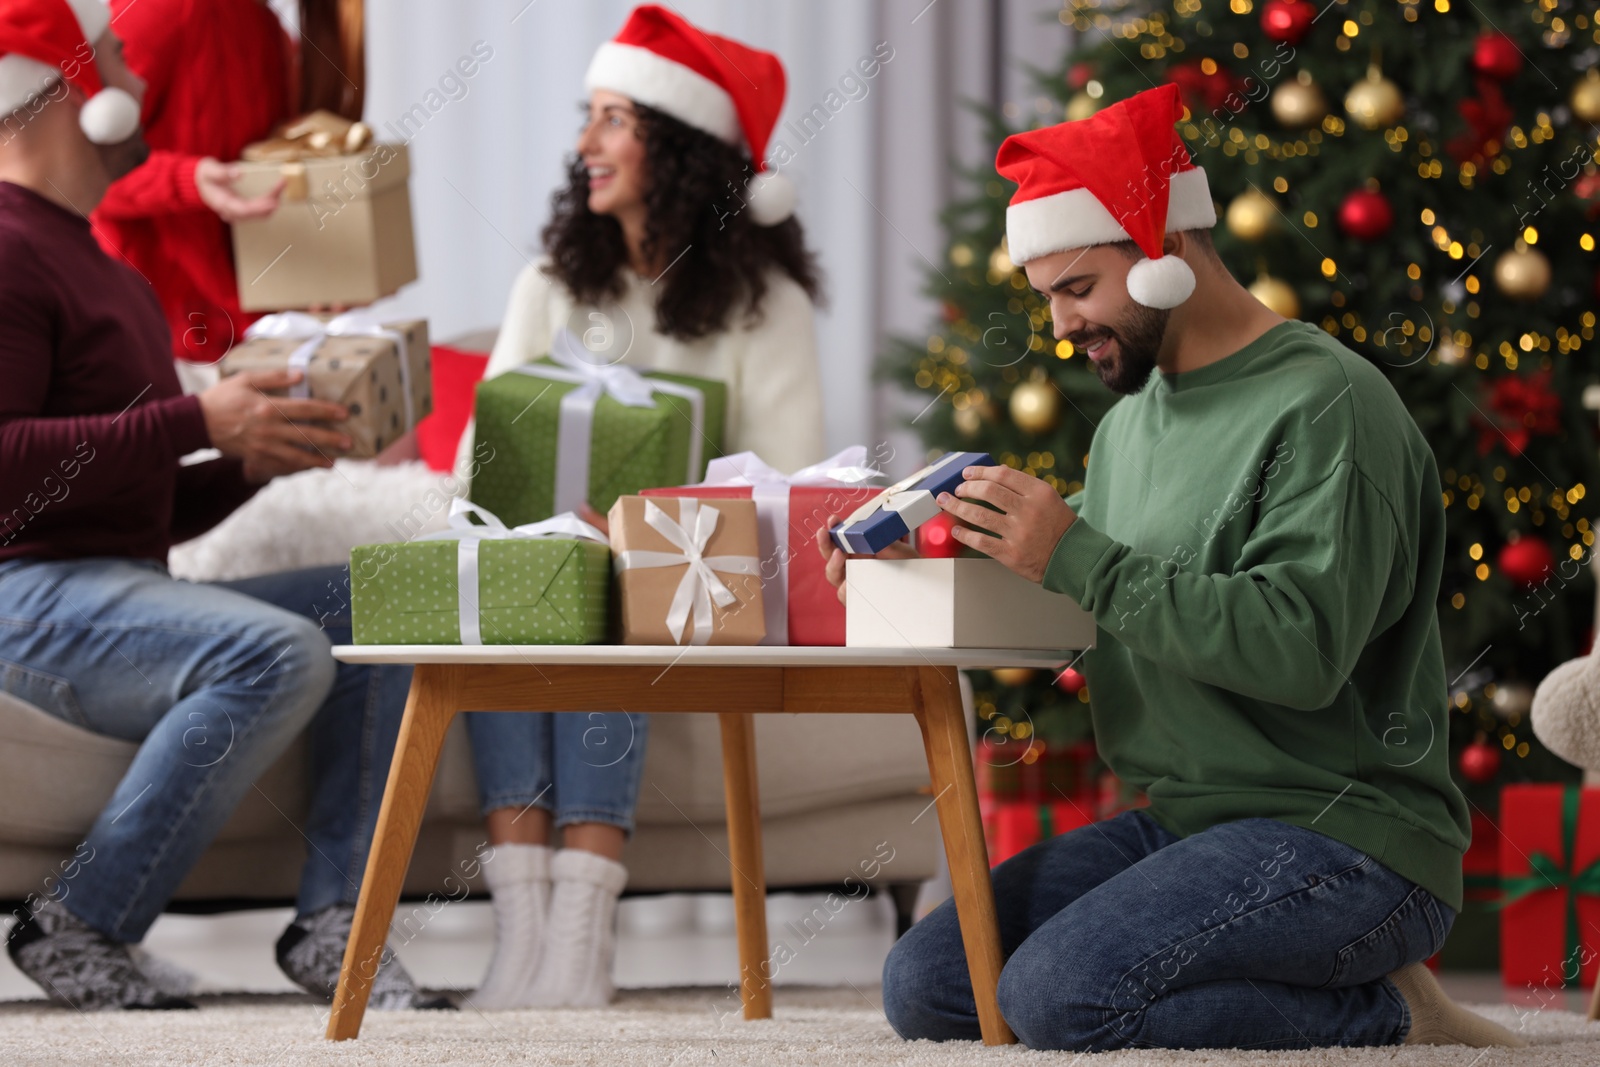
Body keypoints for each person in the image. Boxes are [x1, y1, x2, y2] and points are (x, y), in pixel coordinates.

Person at [817, 83, 1525, 1052]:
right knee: (935, 983)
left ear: (1164, 252)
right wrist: (927, 565)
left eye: (1077, 288)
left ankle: (1392, 1008)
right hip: (1188, 823)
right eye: (1049, 298)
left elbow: (1299, 650)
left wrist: (1074, 552)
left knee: (1060, 995)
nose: (1062, 326)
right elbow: (1106, 610)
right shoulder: (1129, 427)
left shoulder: (1328, 407)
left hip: (1347, 840)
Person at [0, 0, 442, 1012]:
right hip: (23, 597)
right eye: (117, 63)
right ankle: (79, 917)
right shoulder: (8, 248)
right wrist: (199, 414)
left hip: (106, 585)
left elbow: (139, 498)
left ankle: (341, 919)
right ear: (67, 96)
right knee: (276, 650)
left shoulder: (110, 276)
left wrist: (265, 457)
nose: (142, 85)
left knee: (379, 602)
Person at [454, 4, 826, 1010]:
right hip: (548, 561)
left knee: (611, 594)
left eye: (611, 119)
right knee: (522, 590)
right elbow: (480, 453)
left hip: (694, 581)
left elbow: (787, 488)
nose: (584, 145)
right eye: (589, 118)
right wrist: (536, 524)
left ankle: (581, 935)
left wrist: (628, 528)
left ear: (680, 145)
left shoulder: (768, 306)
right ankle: (523, 933)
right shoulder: (548, 283)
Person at [90, 0, 290, 375]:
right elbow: (81, 161)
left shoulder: (264, 23)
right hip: (160, 341)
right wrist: (188, 181)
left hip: (250, 332)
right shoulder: (156, 13)